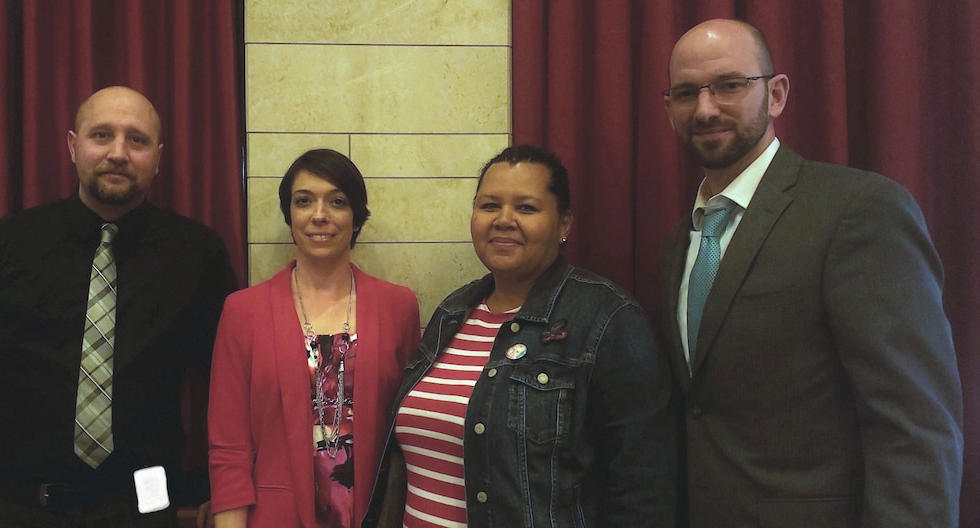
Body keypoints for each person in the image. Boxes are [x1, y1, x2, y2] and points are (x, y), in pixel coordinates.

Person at [658, 19, 964, 527]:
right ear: (669, 110)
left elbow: (915, 428)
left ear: (776, 95)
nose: (706, 108)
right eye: (687, 93)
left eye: (730, 85)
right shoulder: (678, 245)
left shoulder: (858, 211)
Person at [0, 86, 238, 527]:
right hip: (13, 507)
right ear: (73, 146)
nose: (118, 153)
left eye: (137, 140)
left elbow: (230, 388)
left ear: (158, 157)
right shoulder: (4, 246)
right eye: (101, 135)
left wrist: (227, 490)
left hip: (141, 510)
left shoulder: (196, 255)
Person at [364, 145, 675, 527]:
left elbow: (645, 488)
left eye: (526, 208)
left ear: (564, 224)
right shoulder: (451, 312)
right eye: (489, 206)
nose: (504, 220)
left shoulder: (608, 320)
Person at [207, 148, 420, 528]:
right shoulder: (243, 312)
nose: (319, 215)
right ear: (289, 215)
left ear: (356, 218)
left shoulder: (397, 307)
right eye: (304, 201)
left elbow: (408, 432)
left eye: (337, 201)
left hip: (375, 515)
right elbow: (229, 448)